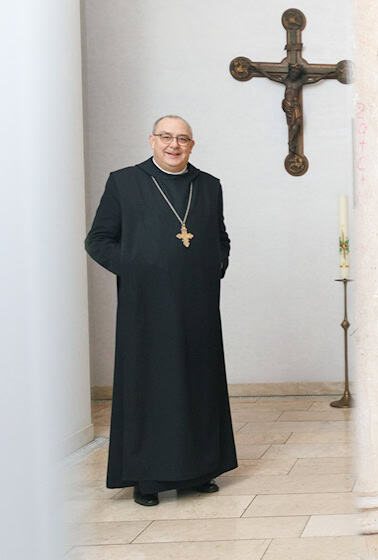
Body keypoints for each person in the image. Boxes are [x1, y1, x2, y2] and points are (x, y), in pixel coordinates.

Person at [85, 115, 237, 506]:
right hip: (146, 308)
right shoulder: (124, 182)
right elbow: (98, 240)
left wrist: (213, 268)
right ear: (151, 140)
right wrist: (137, 270)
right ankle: (147, 478)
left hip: (198, 306)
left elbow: (219, 237)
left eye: (182, 139)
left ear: (192, 145)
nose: (174, 145)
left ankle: (200, 470)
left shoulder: (209, 186)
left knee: (198, 384)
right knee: (152, 387)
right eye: (166, 137)